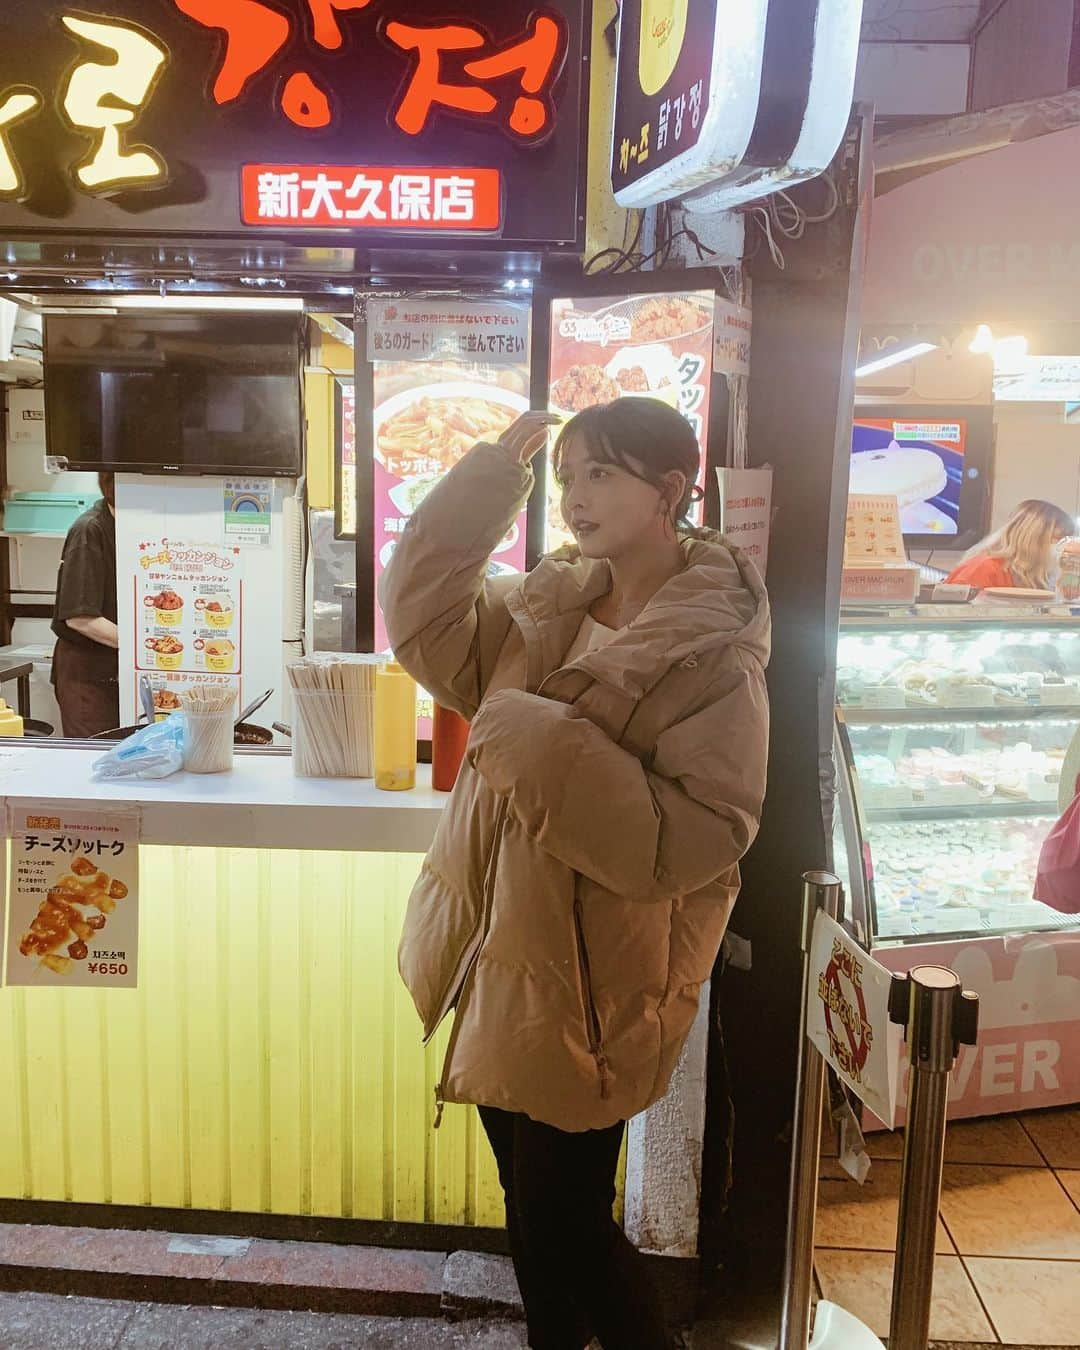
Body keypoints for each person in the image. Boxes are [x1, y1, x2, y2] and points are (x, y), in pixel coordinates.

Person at [381, 399, 770, 1350]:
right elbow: (425, 625)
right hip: (497, 950)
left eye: (600, 473)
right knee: (538, 1215)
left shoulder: (714, 654)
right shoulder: (546, 602)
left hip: (598, 981)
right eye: (565, 477)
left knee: (559, 1225)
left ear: (670, 490)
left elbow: (700, 837)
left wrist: (544, 743)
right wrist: (483, 487)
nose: (574, 497)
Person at [51, 471, 119, 737]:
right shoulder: (89, 529)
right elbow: (80, 618)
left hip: (116, 671)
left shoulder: (132, 527)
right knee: (92, 759)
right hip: (87, 675)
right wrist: (142, 646)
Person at [946, 499, 1075, 591]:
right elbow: (953, 618)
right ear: (1032, 537)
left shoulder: (1041, 576)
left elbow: (1069, 599)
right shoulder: (983, 568)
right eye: (1056, 539)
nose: (1062, 548)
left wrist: (1072, 573)